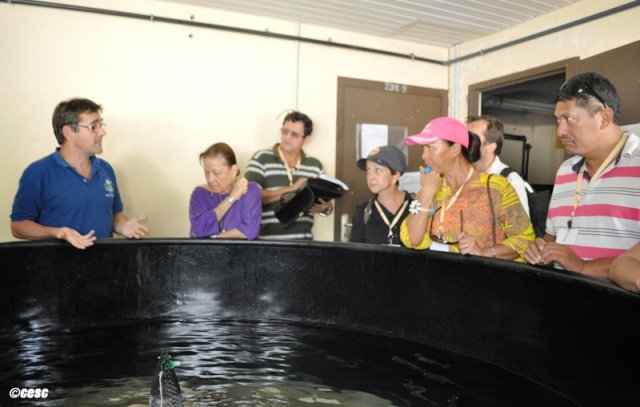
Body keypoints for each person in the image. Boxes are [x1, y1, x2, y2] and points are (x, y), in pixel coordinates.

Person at [523, 72, 640, 277]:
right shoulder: (565, 170)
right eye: (558, 120)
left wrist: (583, 266)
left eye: (569, 119)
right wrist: (541, 251)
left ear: (604, 118)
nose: (560, 131)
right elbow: (552, 237)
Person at [10, 98, 148, 250]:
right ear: (69, 132)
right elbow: (18, 226)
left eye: (101, 125)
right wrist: (57, 232)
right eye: (93, 127)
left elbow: (116, 215)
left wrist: (123, 226)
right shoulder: (38, 173)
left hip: (104, 262)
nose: (102, 132)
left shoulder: (106, 169)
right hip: (55, 264)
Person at [399, 117, 534, 261]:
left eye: (430, 148)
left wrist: (484, 253)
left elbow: (524, 239)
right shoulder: (431, 188)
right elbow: (411, 239)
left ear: (455, 149)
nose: (424, 156)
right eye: (423, 148)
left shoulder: (496, 187)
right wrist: (425, 194)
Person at [245, 111, 332, 240]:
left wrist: (325, 209)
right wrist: (293, 189)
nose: (287, 137)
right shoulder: (261, 158)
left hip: (303, 243)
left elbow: (328, 204)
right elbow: (250, 197)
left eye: (294, 134)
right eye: (285, 131)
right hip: (267, 242)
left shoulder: (314, 165)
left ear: (306, 138)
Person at [189, 143, 262, 239]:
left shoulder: (249, 190)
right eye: (206, 172)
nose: (210, 179)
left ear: (233, 171)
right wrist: (231, 198)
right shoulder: (199, 194)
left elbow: (249, 231)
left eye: (216, 173)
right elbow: (200, 228)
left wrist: (212, 238)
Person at [466, 115, 530, 217]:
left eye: (471, 138)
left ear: (490, 147)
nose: (465, 143)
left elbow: (521, 225)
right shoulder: (463, 176)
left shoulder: (511, 181)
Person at [350, 145, 412, 245]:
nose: (371, 177)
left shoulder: (415, 207)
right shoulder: (363, 213)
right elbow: (354, 252)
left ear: (395, 176)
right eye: (368, 170)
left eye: (378, 170)